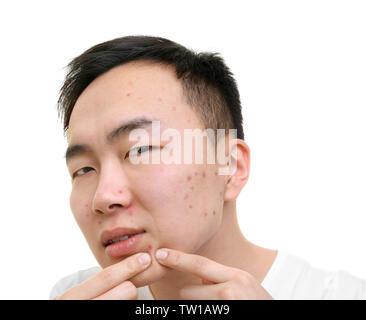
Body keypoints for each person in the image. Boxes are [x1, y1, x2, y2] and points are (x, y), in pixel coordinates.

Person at [50, 35, 366, 300]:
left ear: (230, 166)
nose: (103, 197)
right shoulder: (74, 293)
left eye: (141, 149)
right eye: (83, 170)